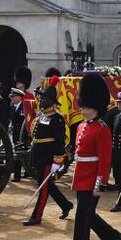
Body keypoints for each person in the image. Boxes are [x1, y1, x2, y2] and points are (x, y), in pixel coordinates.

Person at [66, 74, 121, 240]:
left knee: (82, 218)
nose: (82, 110)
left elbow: (105, 160)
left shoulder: (103, 129)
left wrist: (100, 184)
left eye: (86, 107)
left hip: (92, 179)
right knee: (87, 215)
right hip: (81, 177)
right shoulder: (82, 126)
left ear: (95, 107)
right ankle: (113, 237)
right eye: (82, 106)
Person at [24, 86, 72, 225]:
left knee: (43, 187)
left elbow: (59, 142)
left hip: (47, 157)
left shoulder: (57, 119)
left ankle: (36, 216)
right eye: (41, 97)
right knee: (46, 184)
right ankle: (65, 205)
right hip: (38, 154)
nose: (41, 100)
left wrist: (57, 160)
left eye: (44, 98)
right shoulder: (42, 115)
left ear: (51, 101)